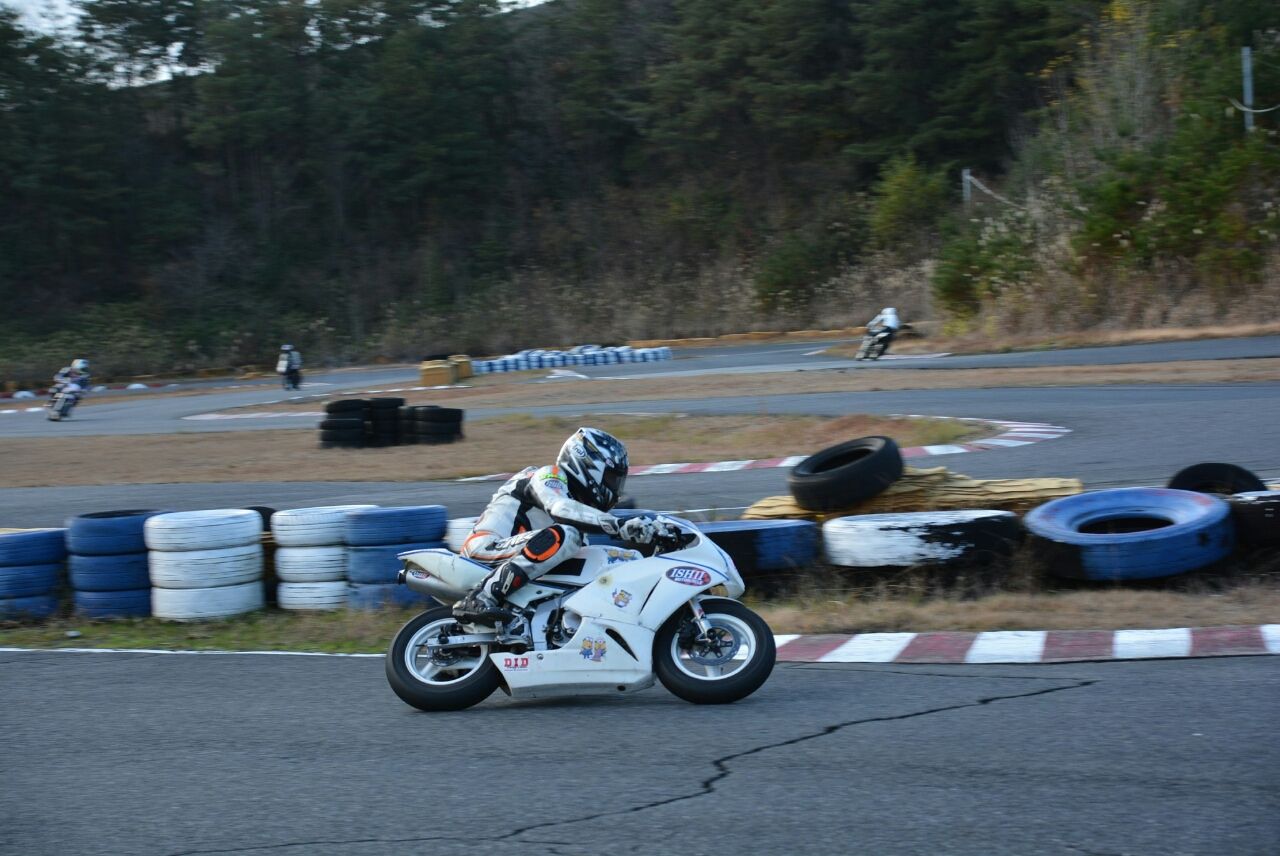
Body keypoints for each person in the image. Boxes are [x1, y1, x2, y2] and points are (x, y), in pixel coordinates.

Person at [453, 426, 675, 624]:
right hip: (486, 549)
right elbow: (559, 507)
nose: (615, 489)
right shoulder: (548, 475)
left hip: (517, 558)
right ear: (587, 465)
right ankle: (481, 597)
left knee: (600, 558)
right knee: (567, 535)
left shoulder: (577, 510)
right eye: (611, 479)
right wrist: (618, 525)